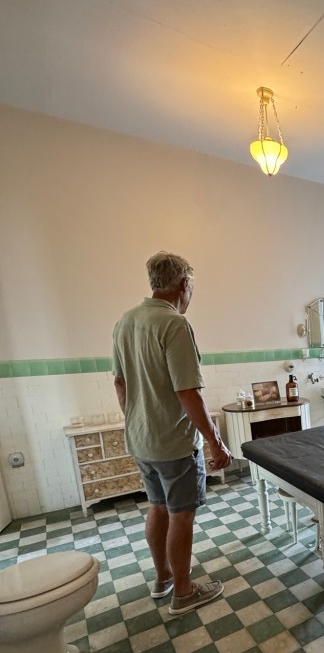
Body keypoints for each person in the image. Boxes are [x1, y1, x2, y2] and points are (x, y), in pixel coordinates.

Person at [113, 252, 232, 615]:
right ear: (184, 284)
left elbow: (120, 383)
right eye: (191, 286)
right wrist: (215, 441)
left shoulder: (126, 321)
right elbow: (188, 393)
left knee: (158, 506)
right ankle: (184, 592)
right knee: (181, 514)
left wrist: (139, 419)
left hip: (142, 440)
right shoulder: (175, 324)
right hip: (175, 444)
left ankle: (163, 577)